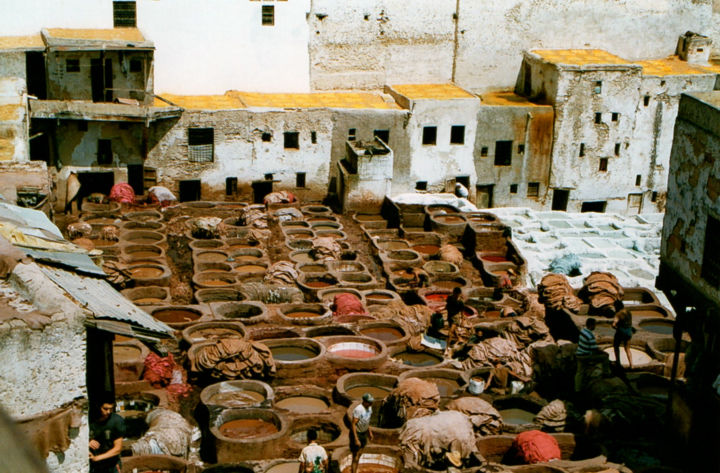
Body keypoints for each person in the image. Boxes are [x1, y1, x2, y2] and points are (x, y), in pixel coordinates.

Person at [89, 395, 125, 473]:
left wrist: (97, 458)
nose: (108, 412)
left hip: (111, 465)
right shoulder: (89, 420)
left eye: (111, 409)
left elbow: (117, 449)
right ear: (99, 407)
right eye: (105, 409)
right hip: (94, 467)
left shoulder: (117, 421)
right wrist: (88, 442)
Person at [575, 318, 602, 392]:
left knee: (579, 372)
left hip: (579, 354)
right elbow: (594, 349)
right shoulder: (590, 336)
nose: (595, 327)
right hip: (586, 355)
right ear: (591, 325)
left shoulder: (582, 331)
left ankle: (577, 389)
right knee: (605, 357)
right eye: (594, 325)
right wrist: (602, 352)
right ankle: (606, 374)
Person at [350, 393, 374, 473]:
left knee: (360, 454)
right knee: (355, 456)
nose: (371, 403)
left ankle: (355, 470)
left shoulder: (369, 408)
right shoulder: (358, 410)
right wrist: (356, 439)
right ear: (364, 402)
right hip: (358, 433)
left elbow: (367, 421)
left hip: (364, 433)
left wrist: (369, 432)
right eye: (369, 402)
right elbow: (353, 424)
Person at [612, 300, 634, 369]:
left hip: (620, 332)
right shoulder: (628, 312)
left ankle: (618, 362)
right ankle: (631, 365)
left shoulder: (618, 314)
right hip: (628, 332)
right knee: (627, 348)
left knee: (616, 346)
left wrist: (614, 326)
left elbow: (614, 324)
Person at [445, 287, 465, 353]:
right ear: (453, 293)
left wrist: (462, 321)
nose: (456, 296)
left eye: (457, 295)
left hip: (456, 317)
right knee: (452, 330)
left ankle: (447, 348)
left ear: (459, 294)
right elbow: (447, 306)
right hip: (449, 315)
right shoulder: (450, 298)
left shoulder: (460, 302)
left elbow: (462, 312)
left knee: (450, 332)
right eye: (455, 294)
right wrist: (442, 310)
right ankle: (459, 338)